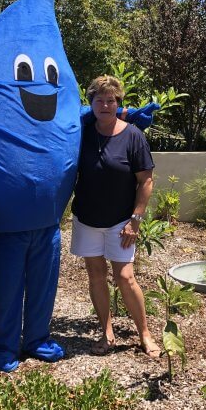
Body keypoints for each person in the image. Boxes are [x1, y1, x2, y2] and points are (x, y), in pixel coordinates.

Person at [70, 75, 161, 357]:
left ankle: (144, 333)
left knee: (125, 277)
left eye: (111, 100)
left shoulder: (133, 136)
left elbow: (146, 180)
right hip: (87, 219)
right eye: (99, 100)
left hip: (122, 222)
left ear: (118, 102)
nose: (105, 105)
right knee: (96, 275)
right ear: (92, 103)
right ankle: (106, 332)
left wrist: (136, 219)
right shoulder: (82, 133)